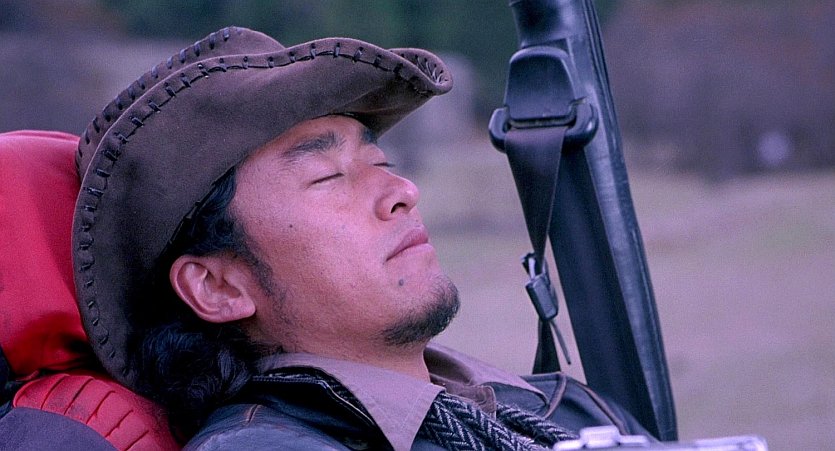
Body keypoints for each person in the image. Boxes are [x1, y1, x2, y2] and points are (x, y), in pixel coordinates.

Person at [73, 26, 651, 450]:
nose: (402, 191)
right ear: (217, 287)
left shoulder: (560, 407)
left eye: (380, 162)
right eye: (328, 177)